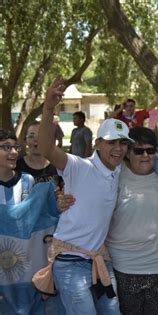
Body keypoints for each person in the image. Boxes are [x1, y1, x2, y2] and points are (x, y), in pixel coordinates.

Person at [38, 76, 134, 314]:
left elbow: (150, 157)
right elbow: (47, 149)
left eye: (123, 143)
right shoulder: (79, 166)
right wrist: (48, 108)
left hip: (99, 259)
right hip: (70, 262)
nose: (118, 148)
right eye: (112, 142)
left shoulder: (119, 169)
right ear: (98, 144)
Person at [105, 127, 158, 314]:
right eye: (138, 150)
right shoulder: (113, 177)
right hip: (123, 267)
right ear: (127, 153)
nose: (145, 155)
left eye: (150, 150)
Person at [0, 128, 60, 314]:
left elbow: (39, 224)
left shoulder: (27, 182)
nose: (14, 152)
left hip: (29, 271)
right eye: (6, 147)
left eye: (15, 147)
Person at [16, 121, 63, 187]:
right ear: (25, 141)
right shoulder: (16, 167)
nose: (36, 139)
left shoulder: (59, 167)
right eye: (31, 136)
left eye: (41, 135)